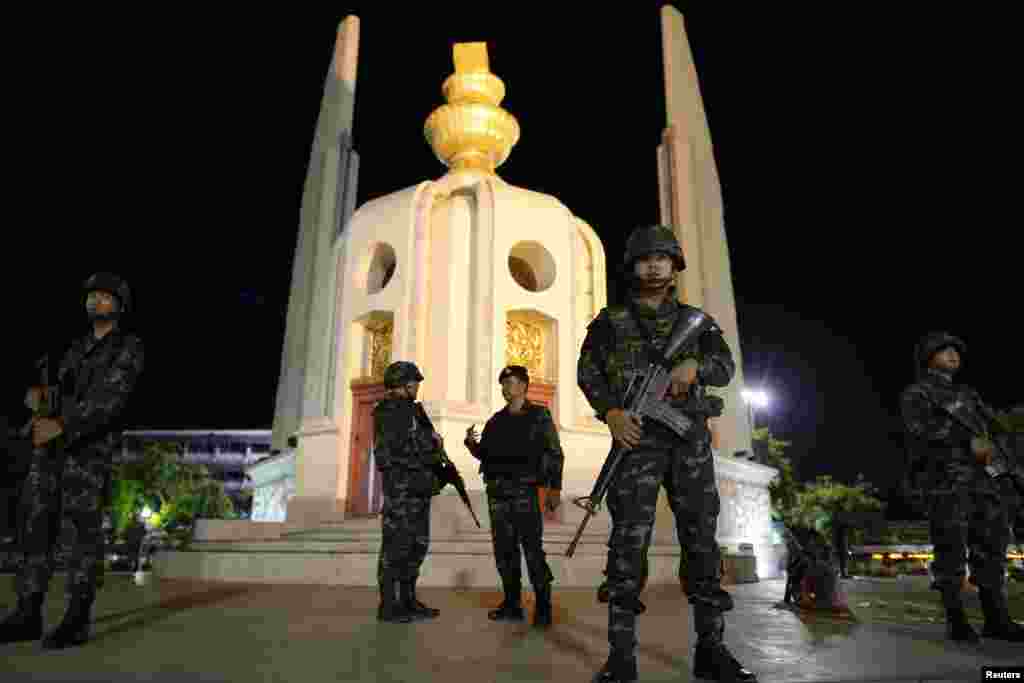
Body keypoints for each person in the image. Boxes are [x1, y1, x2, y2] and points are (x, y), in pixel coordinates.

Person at [577, 225, 757, 683]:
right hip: (635, 441)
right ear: (632, 267)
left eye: (662, 258)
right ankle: (621, 656)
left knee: (700, 540)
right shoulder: (610, 322)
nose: (654, 265)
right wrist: (612, 412)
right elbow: (588, 372)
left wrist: (696, 365)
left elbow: (725, 366)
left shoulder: (696, 322)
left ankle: (711, 649)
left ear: (675, 265)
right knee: (627, 545)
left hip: (688, 442)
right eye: (644, 258)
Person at [0, 272, 145, 649]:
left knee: (82, 535)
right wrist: (40, 401)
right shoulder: (72, 349)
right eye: (91, 296)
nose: (95, 301)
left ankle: (76, 618)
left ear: (119, 304)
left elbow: (109, 402)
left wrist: (63, 424)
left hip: (89, 454)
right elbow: (59, 392)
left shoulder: (127, 347)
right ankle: (28, 611)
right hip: (50, 452)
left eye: (104, 296)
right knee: (35, 527)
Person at [901, 331, 1024, 643]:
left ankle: (996, 619)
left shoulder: (968, 394)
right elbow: (920, 433)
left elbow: (994, 430)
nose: (953, 354)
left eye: (956, 350)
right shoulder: (918, 393)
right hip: (946, 482)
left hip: (984, 481)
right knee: (951, 551)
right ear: (929, 357)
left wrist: (1005, 466)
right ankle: (957, 621)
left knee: (992, 549)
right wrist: (966, 442)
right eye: (944, 350)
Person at [463, 365, 564, 628]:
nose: (505, 388)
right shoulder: (496, 420)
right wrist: (472, 446)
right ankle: (511, 604)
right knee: (504, 552)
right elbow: (487, 455)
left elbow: (555, 454)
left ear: (523, 386)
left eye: (510, 382)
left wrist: (555, 489)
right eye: (503, 383)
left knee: (532, 551)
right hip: (497, 495)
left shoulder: (539, 415)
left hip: (524, 493)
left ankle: (543, 607)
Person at [373, 361, 445, 623]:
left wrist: (435, 448)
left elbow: (423, 444)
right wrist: (431, 443)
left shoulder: (413, 412)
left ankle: (408, 599)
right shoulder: (388, 411)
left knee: (416, 547)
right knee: (395, 549)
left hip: (418, 490)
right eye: (413, 382)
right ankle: (389, 606)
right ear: (401, 384)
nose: (417, 386)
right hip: (402, 492)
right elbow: (391, 453)